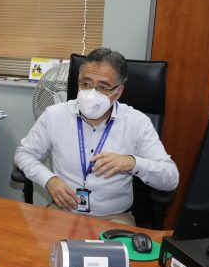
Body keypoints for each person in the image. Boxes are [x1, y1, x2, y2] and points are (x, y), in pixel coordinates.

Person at [14, 48, 179, 225]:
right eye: (86, 84)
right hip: (64, 211)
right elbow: (24, 154)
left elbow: (170, 178)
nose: (91, 93)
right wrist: (49, 180)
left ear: (118, 92)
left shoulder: (137, 122)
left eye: (102, 87)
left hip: (114, 218)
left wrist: (132, 162)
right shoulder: (54, 115)